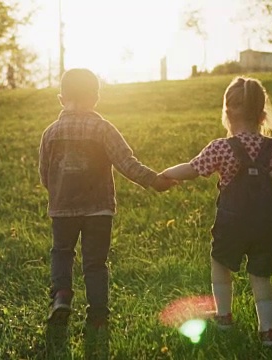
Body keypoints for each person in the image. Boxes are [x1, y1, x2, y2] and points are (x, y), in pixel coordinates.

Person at [160, 76, 272, 346]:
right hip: (265, 224)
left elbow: (192, 169)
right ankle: (268, 331)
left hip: (231, 223)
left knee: (220, 265)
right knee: (261, 276)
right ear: (262, 115)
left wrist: (163, 175)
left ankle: (224, 317)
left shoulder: (221, 147)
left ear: (227, 112)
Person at [39, 68, 176, 329]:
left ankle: (61, 295)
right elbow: (127, 162)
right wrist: (154, 180)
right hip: (98, 210)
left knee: (62, 252)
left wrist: (58, 193)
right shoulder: (103, 129)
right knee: (95, 262)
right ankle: (98, 314)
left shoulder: (50, 133)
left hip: (62, 208)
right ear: (96, 98)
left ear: (61, 98)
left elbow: (44, 173)